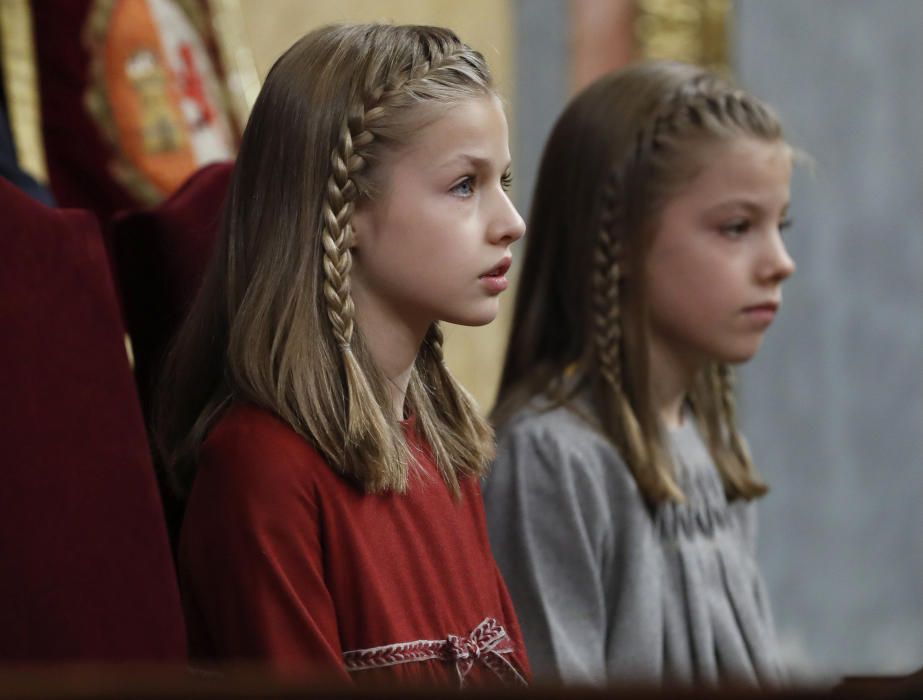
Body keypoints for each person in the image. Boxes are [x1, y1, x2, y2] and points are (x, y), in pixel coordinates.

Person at [154, 23, 528, 688]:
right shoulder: (262, 470)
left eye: (502, 179)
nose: (510, 221)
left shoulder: (443, 452)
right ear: (345, 207)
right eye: (464, 185)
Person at [483, 60, 795, 688]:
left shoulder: (712, 443)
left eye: (779, 226)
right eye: (737, 227)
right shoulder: (552, 458)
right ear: (619, 238)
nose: (780, 263)